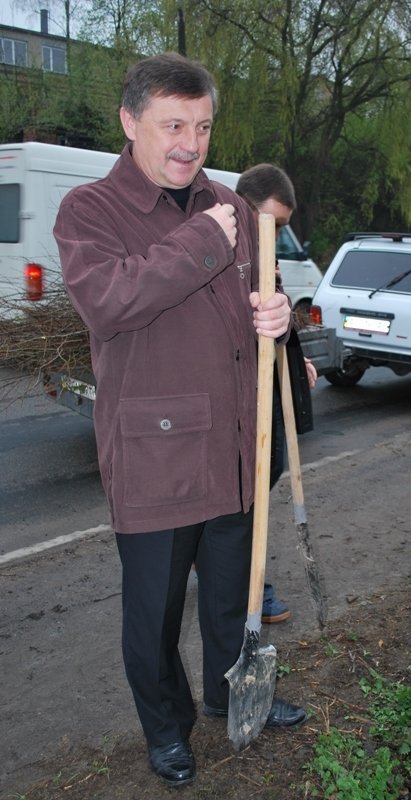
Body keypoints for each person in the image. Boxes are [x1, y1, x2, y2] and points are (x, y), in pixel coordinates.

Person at [54, 53, 306, 789]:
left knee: (229, 597)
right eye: (173, 126)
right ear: (130, 122)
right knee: (154, 616)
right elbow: (111, 301)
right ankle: (166, 730)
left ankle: (231, 692)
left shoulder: (229, 205)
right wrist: (203, 241)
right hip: (154, 456)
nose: (190, 144)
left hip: (234, 447)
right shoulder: (91, 211)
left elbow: (262, 300)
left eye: (202, 127)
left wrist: (277, 317)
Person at [236, 164, 317, 624]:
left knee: (269, 473)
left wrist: (295, 360)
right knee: (245, 495)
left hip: (267, 382)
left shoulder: (265, 256)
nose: (279, 234)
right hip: (240, 395)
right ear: (246, 209)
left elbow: (279, 320)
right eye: (274, 223)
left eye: (283, 226)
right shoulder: (227, 254)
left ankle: (229, 571)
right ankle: (246, 585)